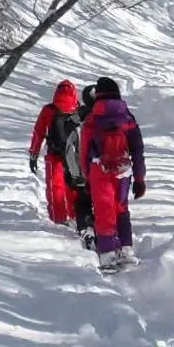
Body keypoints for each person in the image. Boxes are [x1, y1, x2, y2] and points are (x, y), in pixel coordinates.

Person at [80, 77, 146, 271]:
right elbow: (138, 149)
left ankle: (108, 253)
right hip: (123, 170)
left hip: (98, 169)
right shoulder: (127, 118)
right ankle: (126, 249)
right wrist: (140, 178)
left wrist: (86, 177)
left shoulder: (92, 119)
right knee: (121, 208)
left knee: (103, 210)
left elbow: (84, 151)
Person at [28, 80, 81, 225]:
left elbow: (39, 132)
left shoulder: (48, 110)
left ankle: (58, 219)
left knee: (54, 187)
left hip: (53, 154)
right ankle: (77, 217)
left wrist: (34, 153)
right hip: (73, 156)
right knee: (73, 187)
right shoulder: (78, 109)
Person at [62, 83, 98, 250]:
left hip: (82, 170)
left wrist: (73, 171)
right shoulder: (108, 116)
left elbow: (70, 147)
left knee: (82, 201)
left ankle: (85, 228)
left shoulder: (77, 118)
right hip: (105, 169)